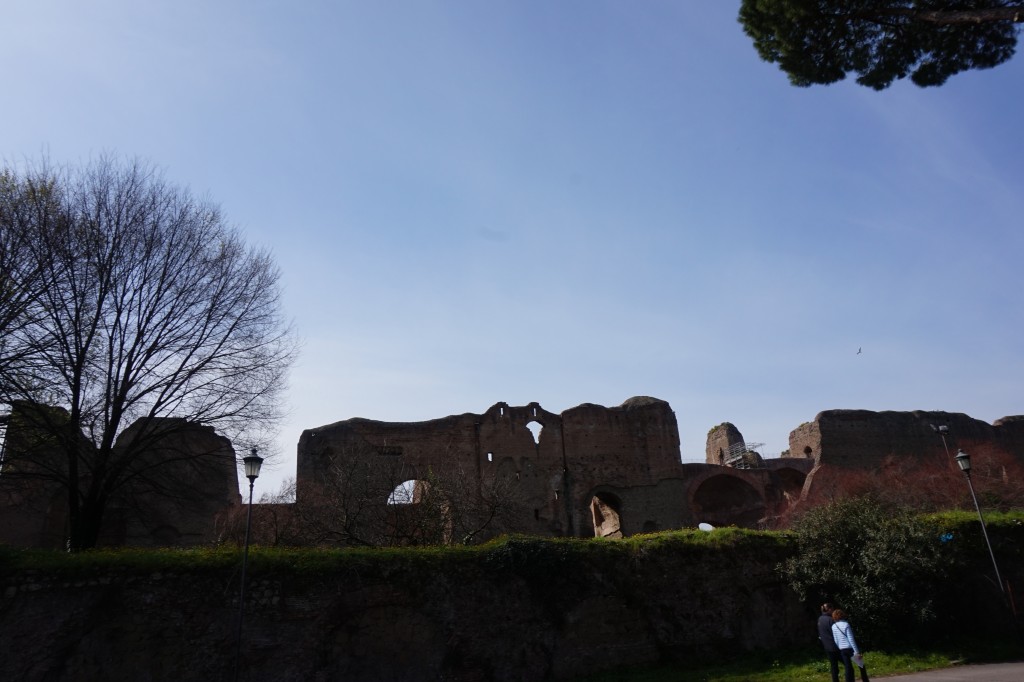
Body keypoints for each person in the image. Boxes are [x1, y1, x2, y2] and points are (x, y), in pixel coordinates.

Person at [831, 609, 869, 682]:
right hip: (850, 648)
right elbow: (851, 639)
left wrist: (839, 647)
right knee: (861, 665)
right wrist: (856, 651)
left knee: (848, 667)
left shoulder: (833, 626)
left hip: (842, 649)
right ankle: (865, 680)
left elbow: (835, 640)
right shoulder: (846, 624)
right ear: (842, 615)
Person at [817, 602, 841, 682]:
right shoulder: (830, 620)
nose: (833, 611)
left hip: (827, 647)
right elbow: (836, 633)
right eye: (832, 609)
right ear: (829, 609)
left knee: (834, 667)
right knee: (848, 665)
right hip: (835, 646)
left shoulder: (820, 619)